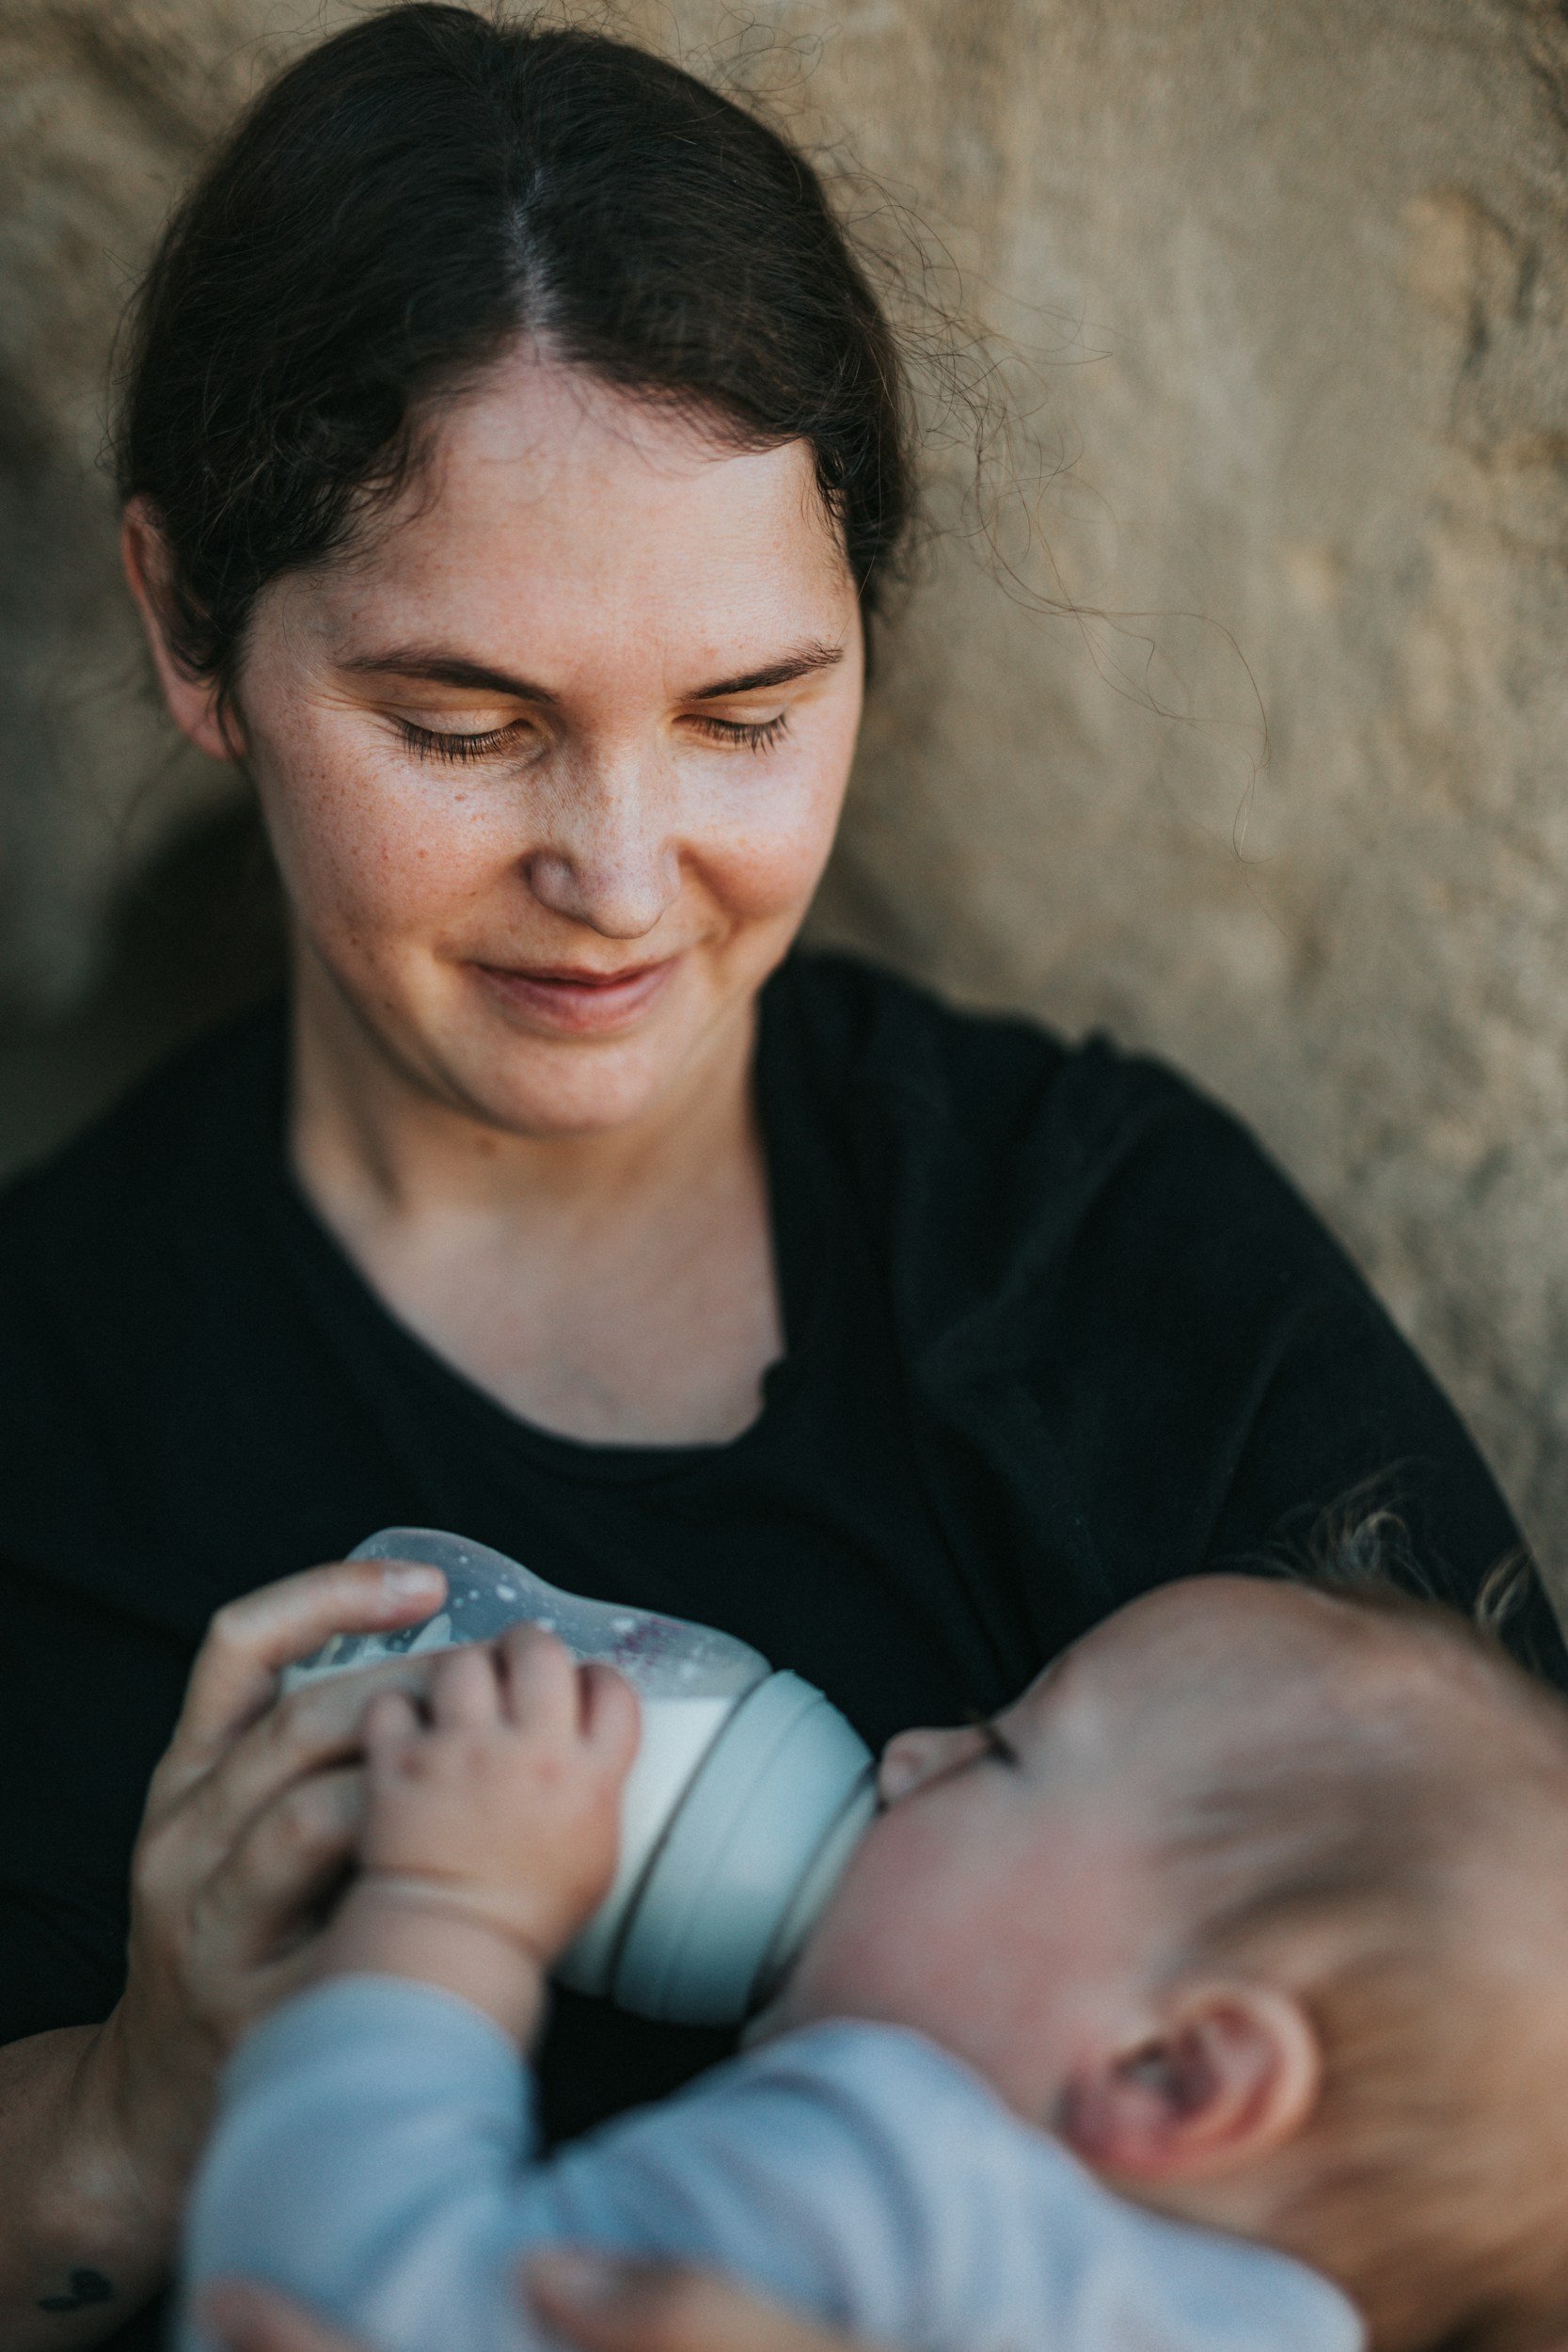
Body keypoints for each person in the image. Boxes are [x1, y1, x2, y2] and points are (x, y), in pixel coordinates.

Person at [0, 7, 1560, 2348]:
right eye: (462, 724)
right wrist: (133, 2101)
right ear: (185, 626)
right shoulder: (52, 1399)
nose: (621, 878)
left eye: (748, 715)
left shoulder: (1092, 1241)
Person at [178, 1553, 1568, 2352]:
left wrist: (448, 1907)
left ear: (1168, 2072)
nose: (911, 1753)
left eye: (1003, 1751)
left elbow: (307, 2302)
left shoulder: (894, 2176)